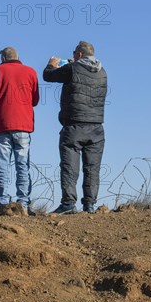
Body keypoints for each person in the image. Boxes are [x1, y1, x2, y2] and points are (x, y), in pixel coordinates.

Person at [43, 41, 107, 214]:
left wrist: (52, 64)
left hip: (74, 125)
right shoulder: (102, 72)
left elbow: (48, 76)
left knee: (70, 166)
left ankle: (69, 203)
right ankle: (90, 204)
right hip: (97, 127)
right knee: (92, 168)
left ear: (79, 54)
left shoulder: (71, 69)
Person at [0, 47, 39, 213]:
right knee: (23, 166)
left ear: (3, 58)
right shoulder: (30, 72)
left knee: (3, 165)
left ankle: (2, 204)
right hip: (23, 125)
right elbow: (35, 100)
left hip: (2, 124)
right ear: (18, 57)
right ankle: (24, 204)